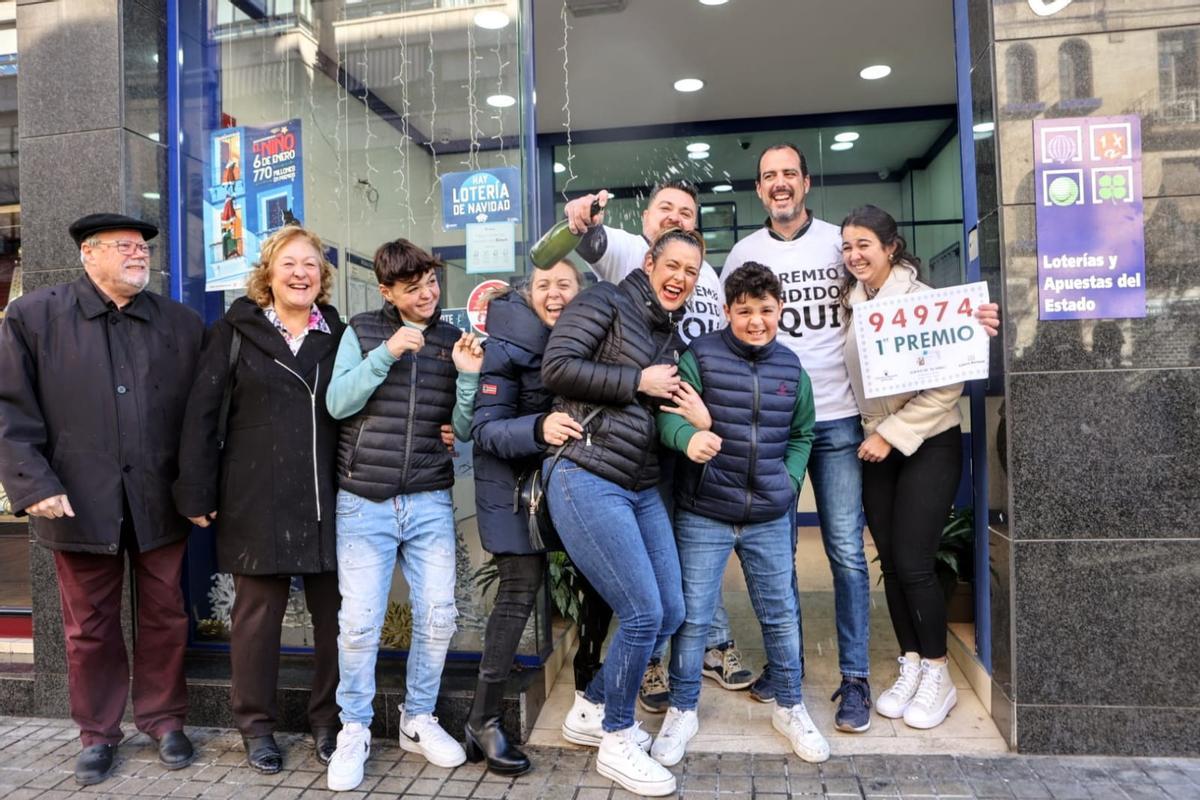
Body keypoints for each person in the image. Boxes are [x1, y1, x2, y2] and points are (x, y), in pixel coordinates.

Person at [722, 143, 1001, 732]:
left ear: (804, 183)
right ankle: (786, 665)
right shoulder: (744, 252)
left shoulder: (839, 243)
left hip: (847, 422)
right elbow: (735, 328)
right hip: (774, 425)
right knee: (777, 556)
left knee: (848, 554)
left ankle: (854, 677)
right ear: (759, 188)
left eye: (789, 174)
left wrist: (965, 325)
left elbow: (910, 312)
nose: (780, 184)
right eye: (769, 176)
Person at [0, 213, 203, 785]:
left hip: (160, 501)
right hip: (77, 503)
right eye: (124, 247)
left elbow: (203, 417)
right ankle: (97, 733)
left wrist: (199, 487)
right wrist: (32, 483)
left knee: (165, 616)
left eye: (142, 248)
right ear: (88, 255)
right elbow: (9, 408)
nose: (139, 255)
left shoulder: (182, 324)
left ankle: (164, 721)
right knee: (89, 626)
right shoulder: (33, 317)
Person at [563, 181, 754, 711]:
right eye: (666, 209)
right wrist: (582, 218)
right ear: (649, 243)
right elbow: (590, 240)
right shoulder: (622, 262)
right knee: (643, 591)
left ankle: (707, 646)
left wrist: (702, 420)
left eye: (687, 213)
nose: (681, 277)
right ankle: (633, 682)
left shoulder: (702, 282)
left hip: (671, 441)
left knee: (682, 560)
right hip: (606, 455)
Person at [174, 224, 346, 773]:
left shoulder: (340, 334)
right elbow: (201, 415)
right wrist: (195, 488)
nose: (300, 273)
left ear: (323, 279)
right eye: (289, 263)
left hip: (328, 496)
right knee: (256, 620)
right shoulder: (233, 331)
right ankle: (256, 727)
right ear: (268, 274)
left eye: (311, 265)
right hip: (254, 494)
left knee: (337, 619)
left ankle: (328, 721)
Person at [542, 228, 701, 797]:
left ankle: (591, 708)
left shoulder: (669, 336)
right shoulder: (604, 300)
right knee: (640, 611)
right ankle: (616, 737)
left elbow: (665, 414)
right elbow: (556, 368)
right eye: (672, 264)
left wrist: (696, 416)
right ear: (651, 261)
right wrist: (637, 380)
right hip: (584, 474)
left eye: (691, 271)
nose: (680, 277)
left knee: (671, 609)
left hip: (638, 484)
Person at [651, 262, 829, 765]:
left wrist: (790, 481)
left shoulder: (792, 368)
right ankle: (683, 709)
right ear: (726, 311)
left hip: (769, 514)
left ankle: (790, 705)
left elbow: (802, 435)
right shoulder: (700, 357)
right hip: (704, 510)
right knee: (693, 616)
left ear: (780, 311)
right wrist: (690, 440)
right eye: (745, 311)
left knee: (780, 614)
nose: (756, 321)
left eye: (766, 310)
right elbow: (668, 421)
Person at [322, 239, 482, 793]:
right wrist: (386, 352)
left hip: (429, 499)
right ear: (387, 292)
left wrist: (464, 377)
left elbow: (460, 429)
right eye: (412, 289)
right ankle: (355, 728)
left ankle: (418, 718)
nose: (427, 295)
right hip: (364, 500)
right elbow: (338, 403)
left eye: (431, 284)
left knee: (439, 615)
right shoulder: (363, 331)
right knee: (360, 624)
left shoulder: (450, 338)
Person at [840, 205, 965, 730]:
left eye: (864, 244)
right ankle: (911, 663)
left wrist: (890, 436)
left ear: (891, 247)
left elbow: (947, 386)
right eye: (847, 247)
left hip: (927, 443)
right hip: (875, 445)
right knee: (890, 562)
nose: (854, 256)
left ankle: (939, 674)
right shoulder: (851, 302)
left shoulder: (924, 303)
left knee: (914, 561)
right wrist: (877, 437)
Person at [462, 259, 583, 776]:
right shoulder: (506, 343)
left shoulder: (587, 337)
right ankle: (483, 719)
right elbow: (484, 431)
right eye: (543, 285)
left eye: (564, 284)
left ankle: (593, 703)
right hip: (509, 485)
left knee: (597, 583)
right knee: (519, 591)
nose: (554, 294)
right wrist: (541, 427)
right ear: (527, 292)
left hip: (562, 482)